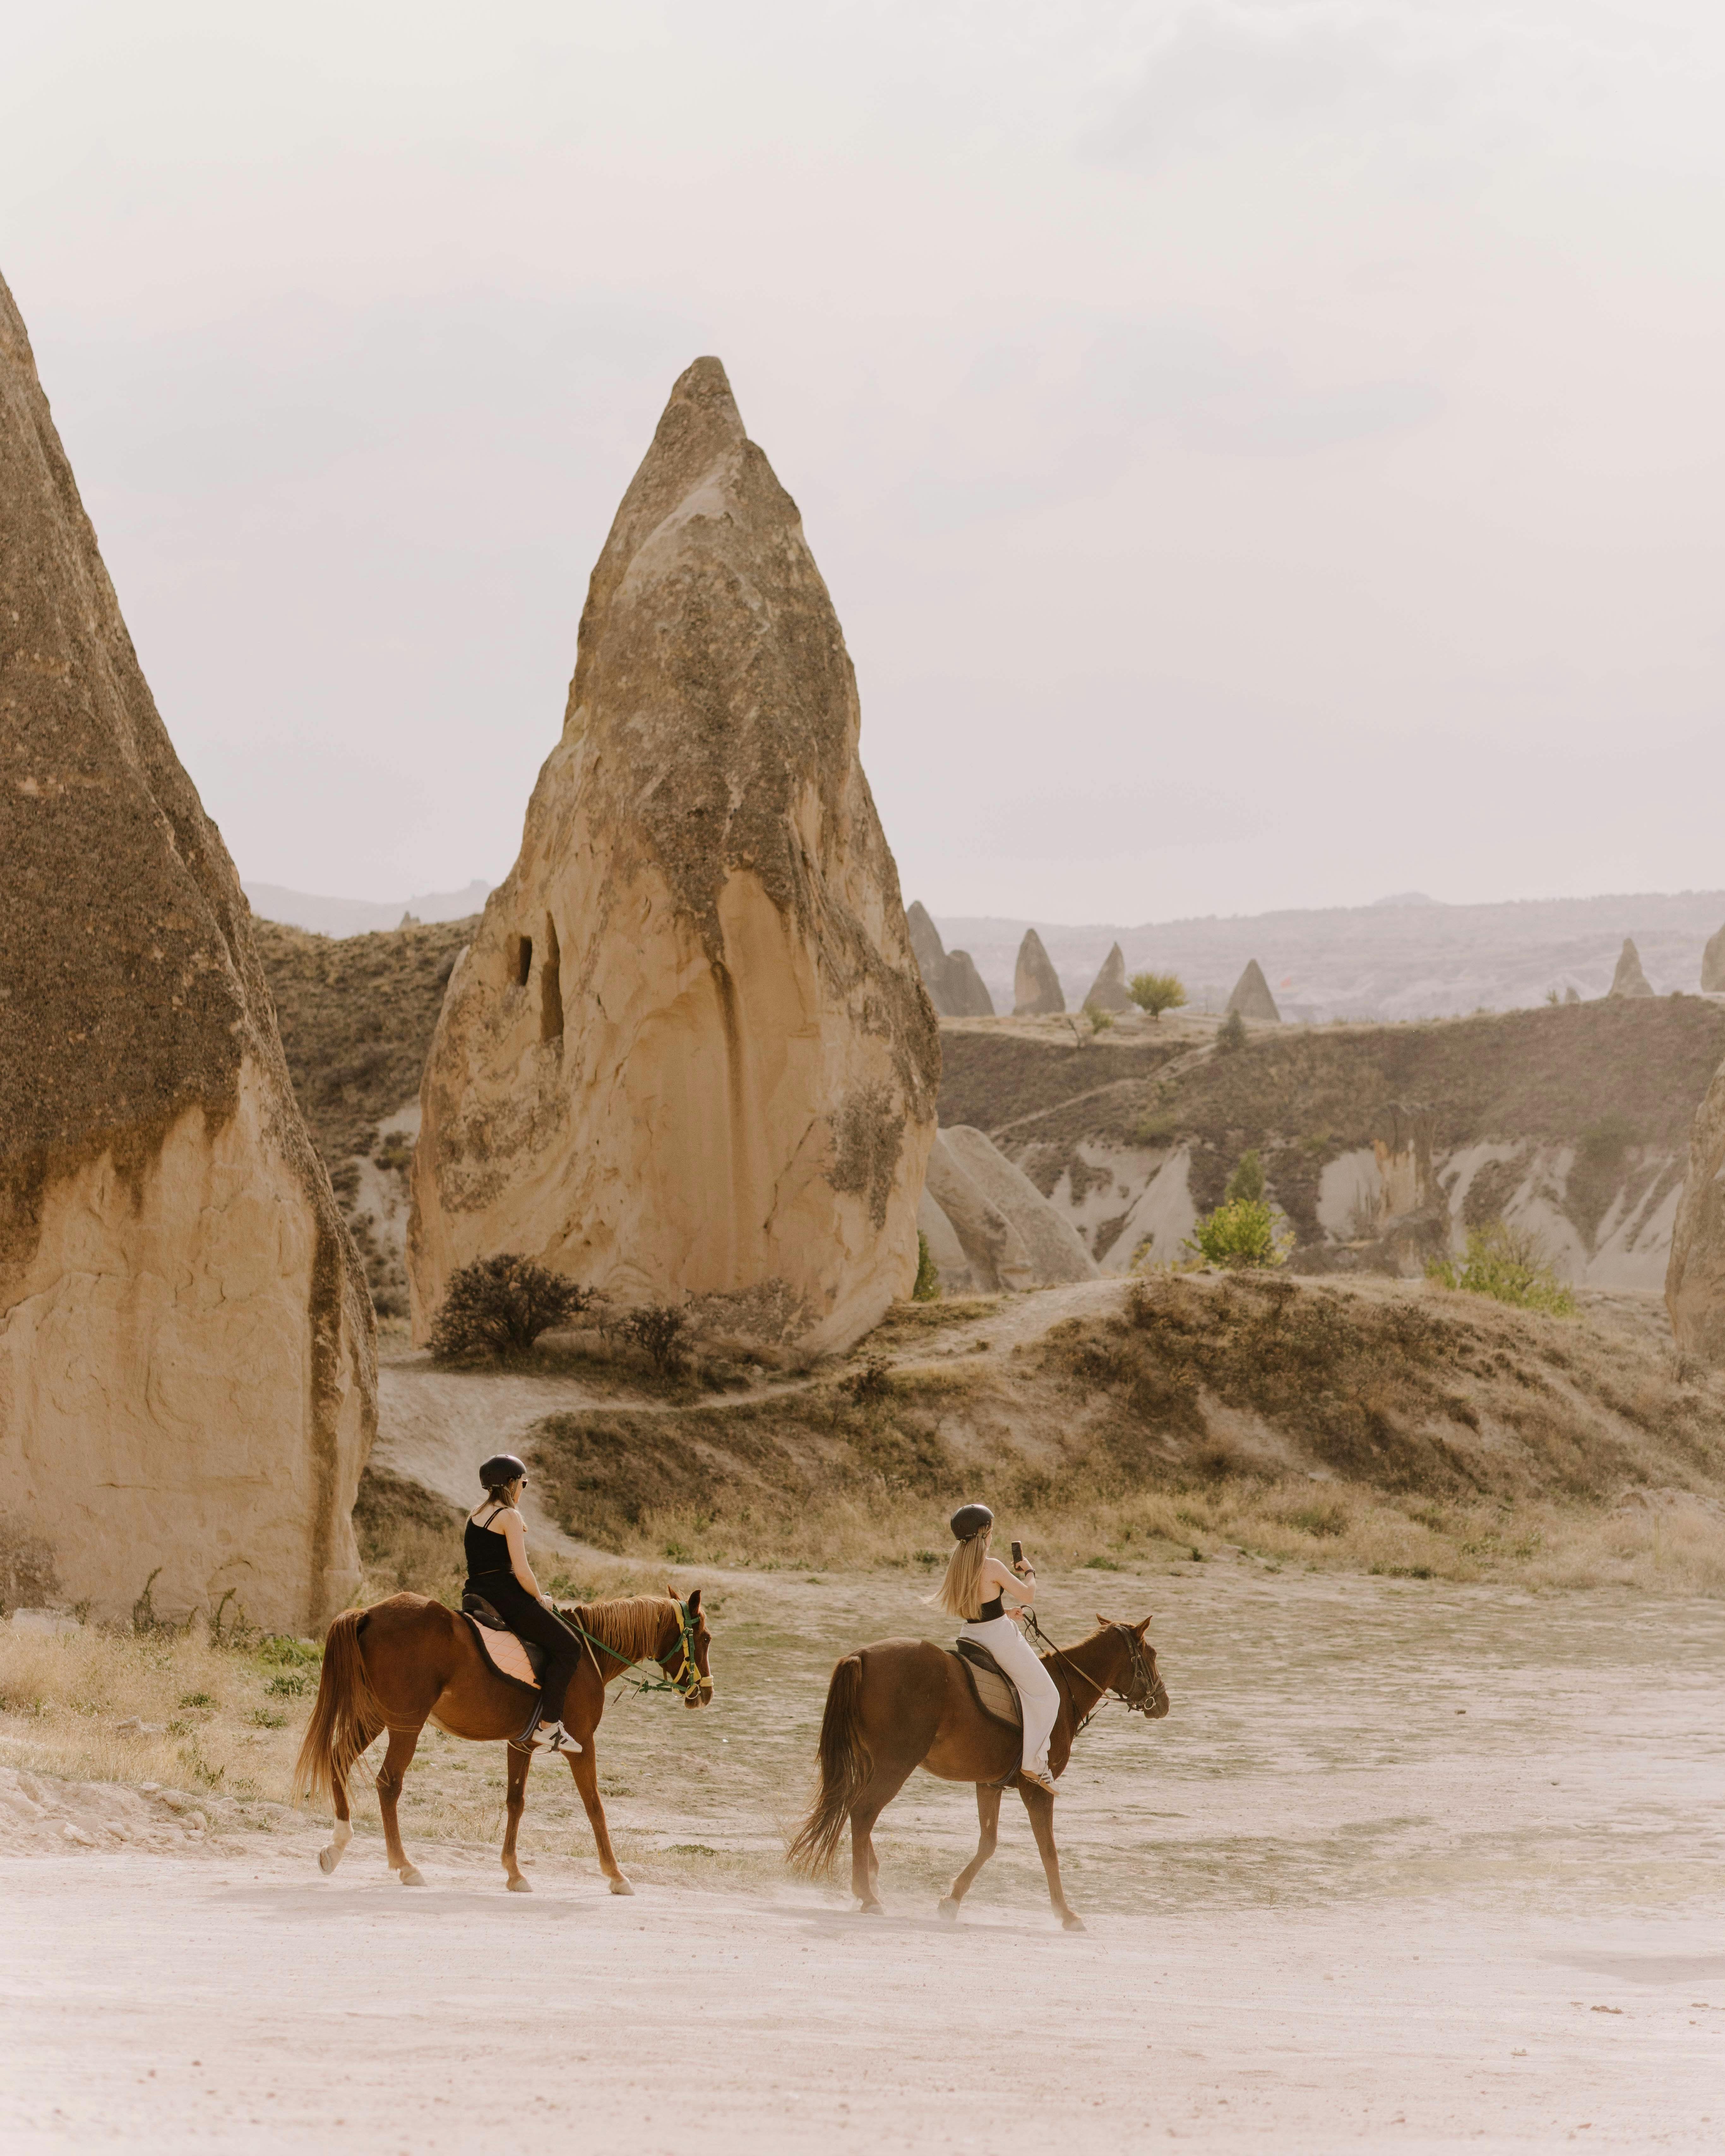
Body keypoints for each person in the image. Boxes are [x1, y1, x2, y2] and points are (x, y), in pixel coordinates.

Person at [928, 1502, 1059, 1791]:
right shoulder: (992, 1565)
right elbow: (1029, 1595)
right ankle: (1034, 1764)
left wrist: (1004, 1613)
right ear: (985, 1533)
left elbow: (980, 1604)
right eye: (991, 1531)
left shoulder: (959, 1564)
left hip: (972, 1633)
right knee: (1048, 1695)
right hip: (999, 1637)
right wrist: (1030, 1571)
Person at [463, 1453, 582, 1755]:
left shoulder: (476, 1515)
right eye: (523, 1483)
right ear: (511, 1483)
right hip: (507, 1597)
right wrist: (540, 1599)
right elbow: (522, 1570)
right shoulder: (509, 1516)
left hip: (477, 1593)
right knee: (570, 1648)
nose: (523, 1488)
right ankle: (550, 1726)